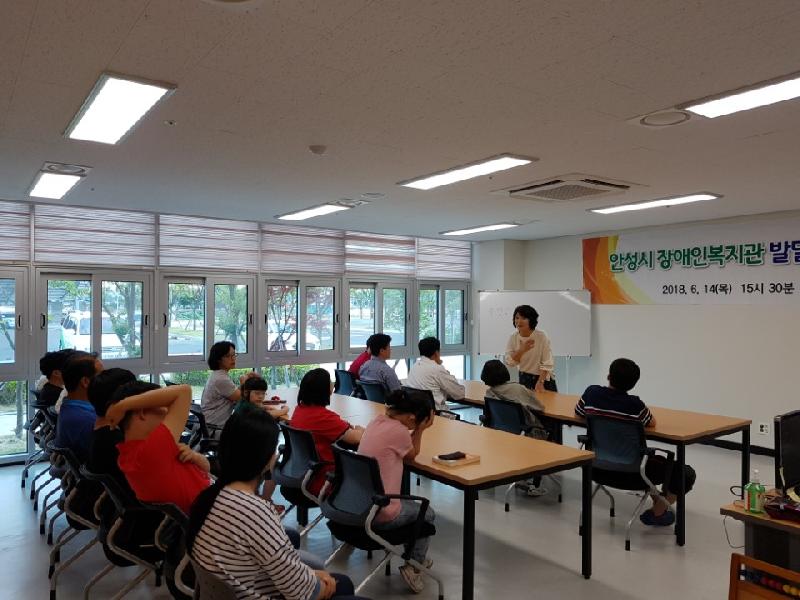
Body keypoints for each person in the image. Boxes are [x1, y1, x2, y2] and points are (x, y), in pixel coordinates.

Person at [188, 403, 369, 600]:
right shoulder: (255, 512)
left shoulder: (210, 497)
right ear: (266, 459)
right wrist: (319, 584)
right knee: (341, 584)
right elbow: (305, 593)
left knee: (341, 582)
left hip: (241, 589)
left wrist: (309, 575)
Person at [575, 358, 697, 527]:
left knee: (650, 464)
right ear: (633, 384)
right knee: (686, 473)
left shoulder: (592, 393)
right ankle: (659, 511)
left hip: (596, 468)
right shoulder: (635, 405)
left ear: (609, 376)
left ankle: (657, 502)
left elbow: (578, 412)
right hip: (635, 475)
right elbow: (651, 422)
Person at [358, 389, 436, 594]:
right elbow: (412, 455)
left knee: (412, 507)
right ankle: (414, 566)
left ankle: (414, 558)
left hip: (361, 505)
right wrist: (420, 430)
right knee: (426, 513)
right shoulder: (400, 432)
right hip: (381, 512)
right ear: (412, 417)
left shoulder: (376, 421)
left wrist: (417, 426)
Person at [106, 382, 212, 514]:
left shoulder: (131, 455)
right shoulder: (149, 452)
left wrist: (195, 457)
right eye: (166, 406)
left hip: (212, 499)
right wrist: (123, 405)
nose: (169, 412)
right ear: (142, 412)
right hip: (215, 509)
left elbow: (206, 470)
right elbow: (184, 391)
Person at [289, 369, 364, 496]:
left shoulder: (300, 409)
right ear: (324, 390)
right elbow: (357, 438)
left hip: (303, 473)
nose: (332, 384)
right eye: (329, 382)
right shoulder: (323, 417)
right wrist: (360, 429)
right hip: (325, 479)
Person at [481, 359, 549, 496]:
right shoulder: (518, 389)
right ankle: (536, 480)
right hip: (526, 434)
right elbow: (540, 407)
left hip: (502, 435)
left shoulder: (489, 393)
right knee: (551, 427)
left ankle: (524, 474)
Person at [54, 352, 104, 462]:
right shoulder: (86, 420)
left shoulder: (70, 407)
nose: (106, 380)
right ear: (85, 382)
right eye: (101, 376)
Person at [200, 341, 258, 431]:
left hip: (212, 425)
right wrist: (244, 382)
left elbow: (234, 394)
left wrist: (245, 380)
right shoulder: (221, 379)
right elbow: (242, 399)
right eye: (228, 356)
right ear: (218, 359)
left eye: (234, 355)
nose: (233, 359)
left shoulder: (219, 375)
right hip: (215, 429)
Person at [504, 304, 555, 393]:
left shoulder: (541, 336)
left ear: (531, 320)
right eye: (517, 318)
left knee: (547, 402)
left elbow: (547, 362)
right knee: (526, 402)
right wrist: (522, 350)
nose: (519, 321)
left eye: (524, 318)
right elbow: (510, 362)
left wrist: (540, 382)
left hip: (542, 378)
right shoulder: (513, 337)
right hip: (524, 377)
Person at [406, 337, 465, 410]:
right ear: (436, 353)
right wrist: (442, 368)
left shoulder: (414, 366)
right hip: (436, 413)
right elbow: (459, 394)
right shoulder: (437, 369)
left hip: (418, 412)